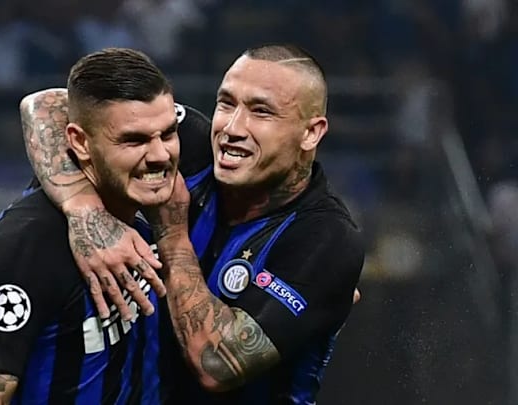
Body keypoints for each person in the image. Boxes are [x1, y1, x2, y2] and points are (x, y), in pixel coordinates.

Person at [21, 44, 364, 404]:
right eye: (226, 103)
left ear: (311, 133)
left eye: (261, 111)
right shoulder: (189, 146)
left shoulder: (326, 240)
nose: (232, 127)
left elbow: (217, 366)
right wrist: (84, 209)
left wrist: (172, 236)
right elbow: (45, 105)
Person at [0, 48, 210, 404]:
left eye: (167, 135)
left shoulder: (154, 208)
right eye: (133, 140)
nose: (160, 156)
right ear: (79, 142)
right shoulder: (27, 244)